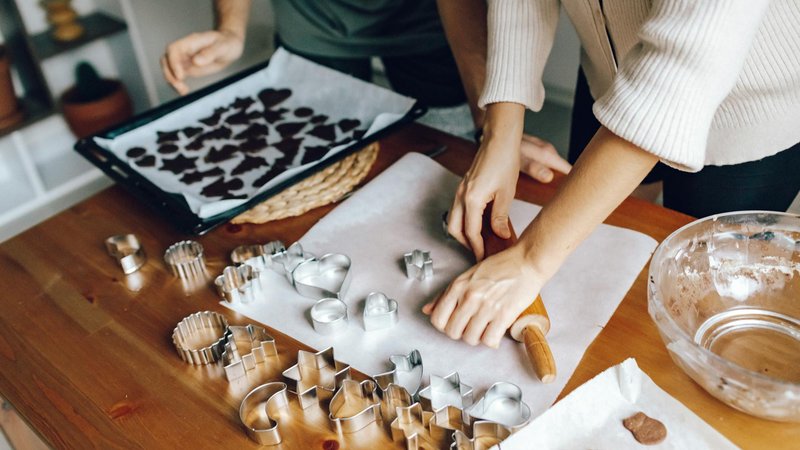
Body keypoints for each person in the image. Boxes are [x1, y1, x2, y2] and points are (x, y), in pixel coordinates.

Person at [425, 0, 800, 348]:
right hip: (611, 75)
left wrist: (530, 260)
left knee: (701, 299)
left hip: (746, 111)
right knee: (594, 255)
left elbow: (678, 73)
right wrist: (500, 132)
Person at [161, 0, 572, 183]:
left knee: (450, 150)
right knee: (318, 165)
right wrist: (230, 29)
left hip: (427, 24)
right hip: (313, 23)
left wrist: (492, 130)